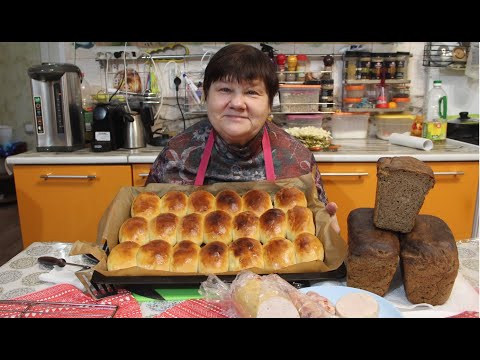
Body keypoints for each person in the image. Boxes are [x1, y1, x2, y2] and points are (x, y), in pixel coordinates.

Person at [145, 43, 339, 232]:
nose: (237, 103)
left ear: (270, 103)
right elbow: (147, 220)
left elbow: (316, 224)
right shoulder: (175, 155)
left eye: (252, 92)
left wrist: (326, 231)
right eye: (225, 90)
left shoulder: (297, 160)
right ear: (206, 95)